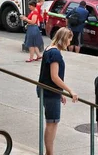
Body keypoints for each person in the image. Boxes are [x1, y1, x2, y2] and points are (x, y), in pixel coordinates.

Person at [37, 27, 79, 155]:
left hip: (49, 91)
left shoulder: (49, 49)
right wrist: (70, 90)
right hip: (50, 92)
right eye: (69, 40)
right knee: (52, 122)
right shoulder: (55, 53)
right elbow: (54, 77)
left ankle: (49, 152)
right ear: (64, 39)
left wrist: (60, 92)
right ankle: (49, 153)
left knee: (53, 122)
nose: (69, 43)